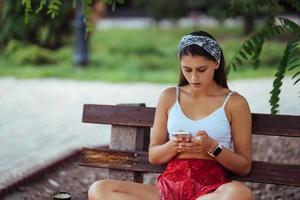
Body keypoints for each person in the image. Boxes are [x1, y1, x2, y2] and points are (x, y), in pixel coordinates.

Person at [88, 30, 253, 200]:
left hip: (211, 191)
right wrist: (174, 145)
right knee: (99, 189)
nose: (194, 77)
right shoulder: (169, 97)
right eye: (187, 69)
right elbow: (154, 155)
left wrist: (212, 147)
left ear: (216, 63)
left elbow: (244, 166)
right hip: (167, 190)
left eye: (201, 69)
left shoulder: (235, 103)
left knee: (240, 193)